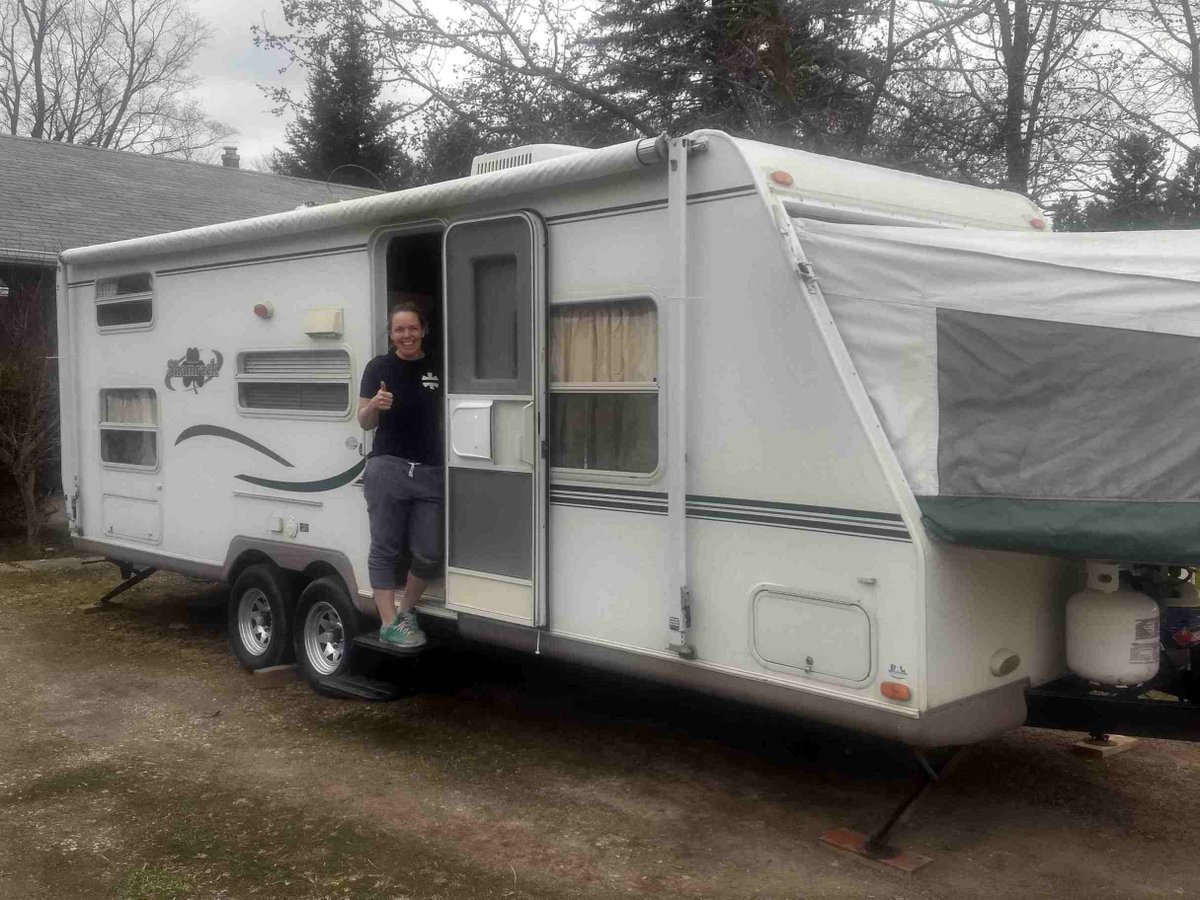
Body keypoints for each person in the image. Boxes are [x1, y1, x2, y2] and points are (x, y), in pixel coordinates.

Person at [357, 302, 443, 648]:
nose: (406, 335)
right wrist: (373, 406)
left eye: (412, 328)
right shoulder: (379, 367)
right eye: (399, 330)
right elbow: (363, 421)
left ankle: (406, 610)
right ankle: (388, 622)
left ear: (423, 330)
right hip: (388, 467)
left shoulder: (438, 365)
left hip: (430, 470)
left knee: (429, 551)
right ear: (391, 334)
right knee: (385, 549)